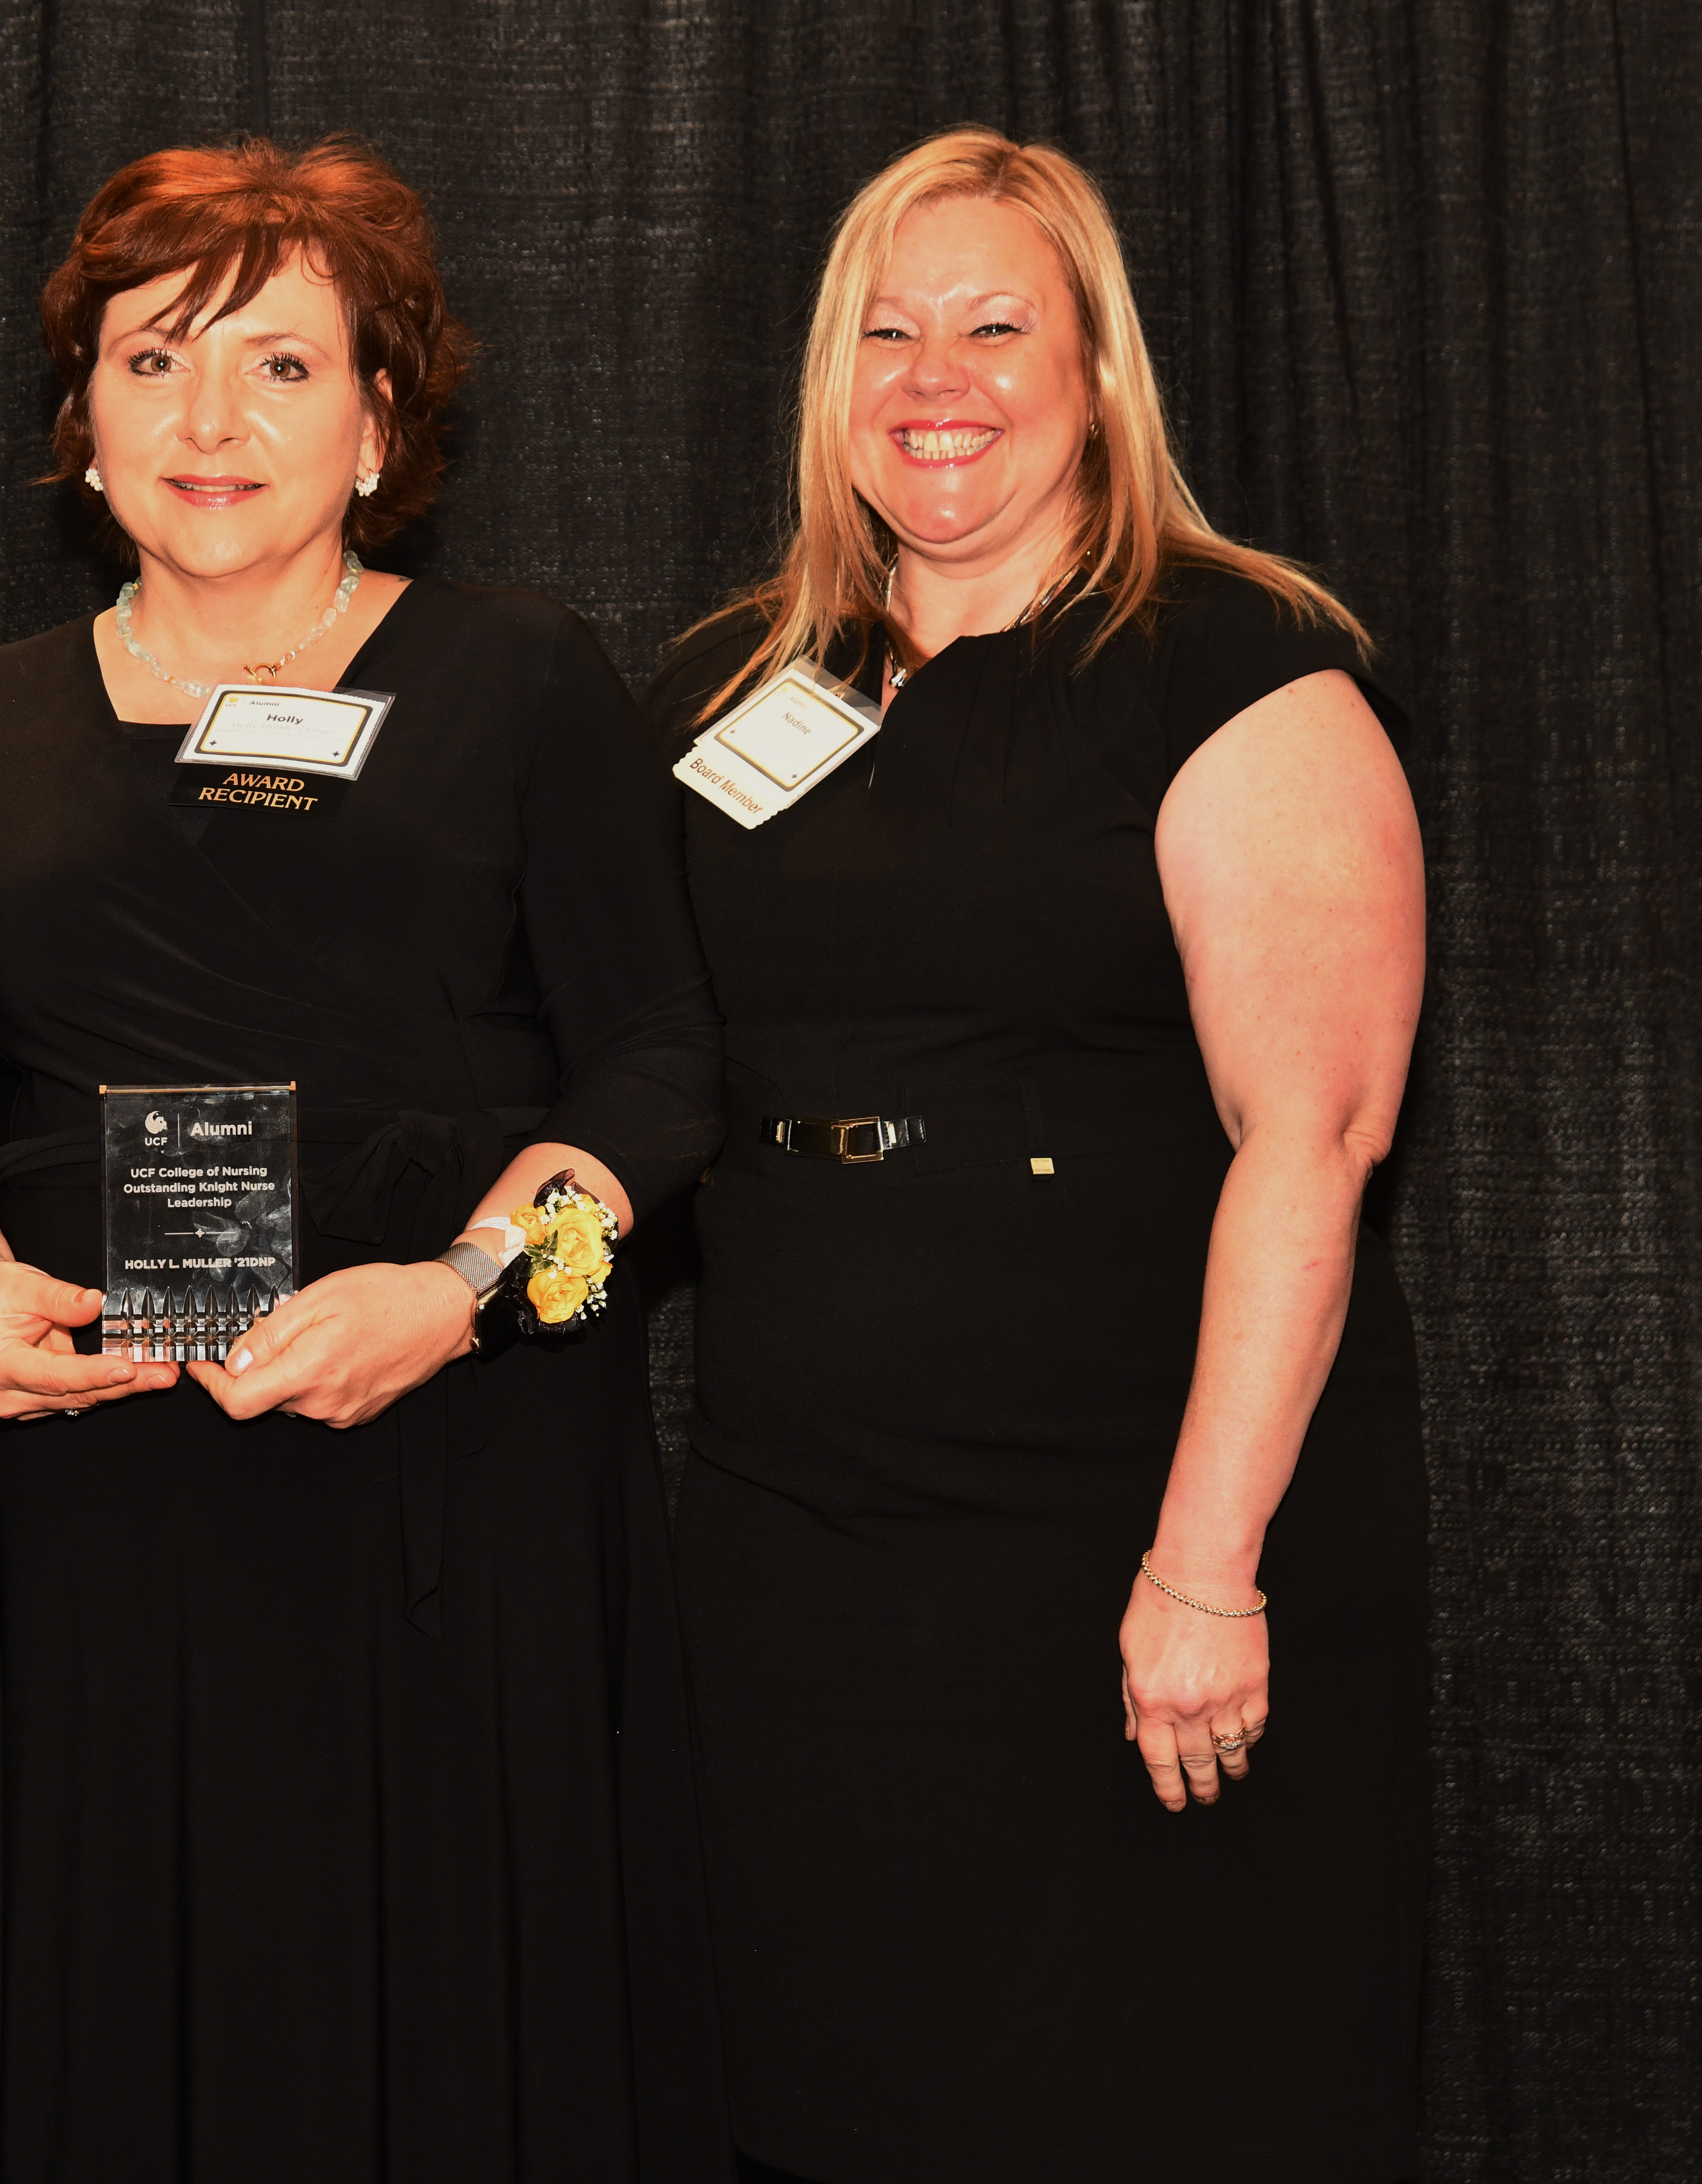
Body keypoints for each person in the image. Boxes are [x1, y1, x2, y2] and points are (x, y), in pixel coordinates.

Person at [0, 138, 729, 2183]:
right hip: (100, 1490)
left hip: (461, 1458)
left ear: (379, 418)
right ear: (79, 416)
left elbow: (662, 1073)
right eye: (152, 362)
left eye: (275, 364)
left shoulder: (520, 677)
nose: (208, 421)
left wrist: (472, 1293)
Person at [649, 129, 1429, 2183]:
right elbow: (607, 1074)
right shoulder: (728, 694)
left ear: (1097, 374)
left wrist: (1201, 1564)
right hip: (805, 1559)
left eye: (997, 326)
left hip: (1129, 1549)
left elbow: (1313, 1134)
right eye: (888, 332)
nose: (938, 376)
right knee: (833, 2097)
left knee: (1153, 2098)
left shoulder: (1231, 668)